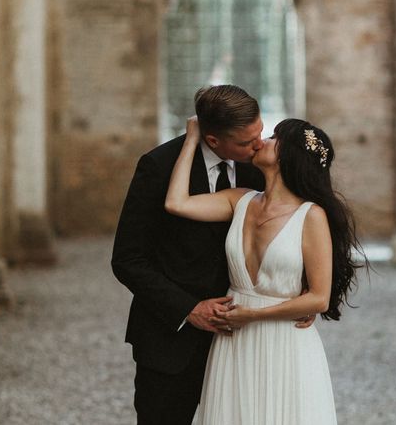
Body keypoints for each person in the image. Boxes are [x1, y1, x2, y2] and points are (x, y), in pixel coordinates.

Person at [165, 116, 366, 424]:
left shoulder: (311, 216)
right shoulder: (239, 200)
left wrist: (252, 315)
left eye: (273, 138)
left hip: (284, 340)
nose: (261, 141)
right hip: (233, 342)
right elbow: (176, 203)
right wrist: (191, 139)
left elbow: (319, 298)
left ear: (288, 156)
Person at [113, 85, 279, 424]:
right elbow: (128, 259)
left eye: (260, 133)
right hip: (169, 339)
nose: (258, 144)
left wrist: (303, 298)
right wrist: (189, 309)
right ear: (214, 140)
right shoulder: (158, 167)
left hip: (242, 338)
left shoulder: (261, 168)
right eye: (247, 142)